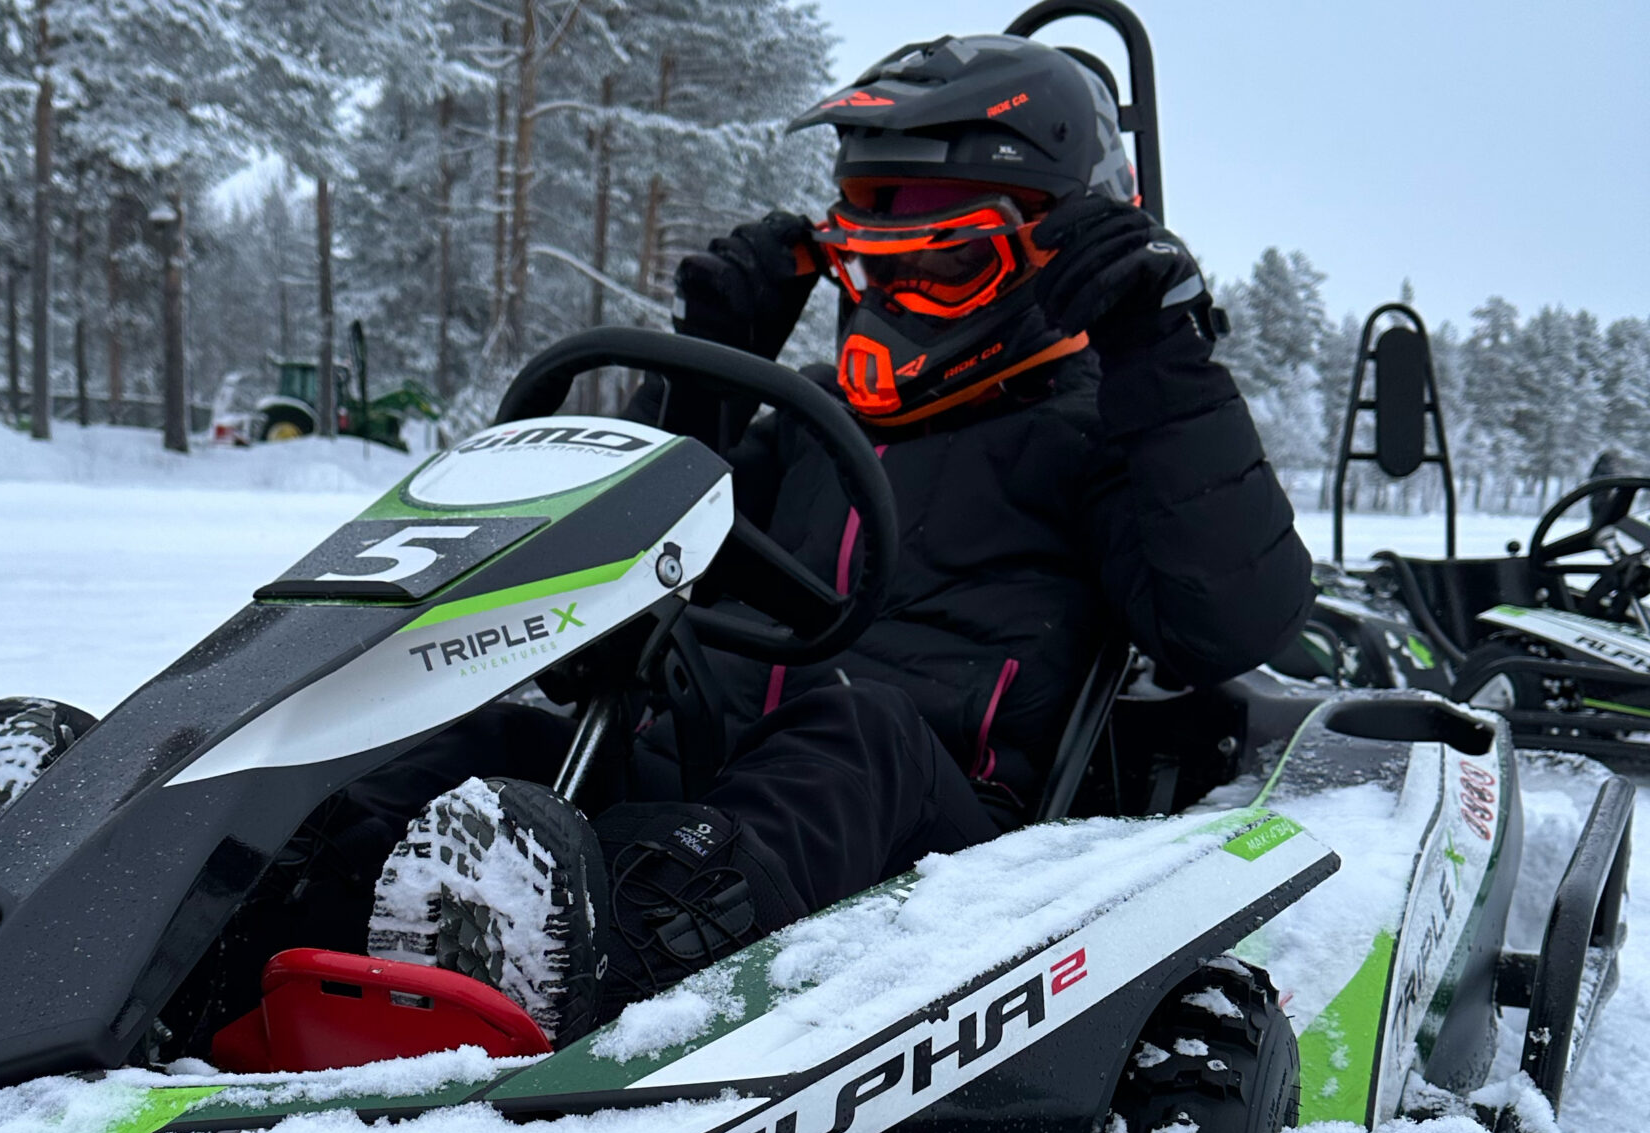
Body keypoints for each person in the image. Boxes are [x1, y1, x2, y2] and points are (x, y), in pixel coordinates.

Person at [247, 34, 1313, 1047]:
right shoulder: (803, 428)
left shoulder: (1105, 434)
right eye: (874, 264)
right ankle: (238, 935)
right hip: (707, 804)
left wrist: (1159, 356)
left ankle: (598, 995)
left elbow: (1230, 624)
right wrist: (708, 373)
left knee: (857, 727)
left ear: (1054, 254)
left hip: (939, 838)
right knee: (488, 750)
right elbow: (601, 601)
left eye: (941, 265)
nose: (897, 300)